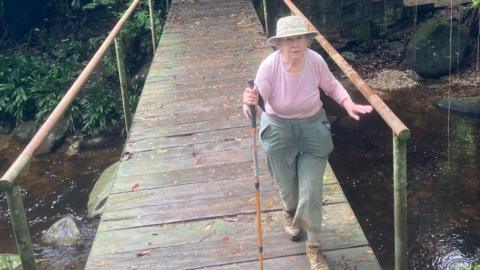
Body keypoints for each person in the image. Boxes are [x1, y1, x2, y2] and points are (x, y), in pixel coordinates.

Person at [242, 16, 373, 270]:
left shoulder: (315, 61)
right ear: (279, 44)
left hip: (313, 128)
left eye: (299, 38)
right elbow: (257, 100)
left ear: (307, 40)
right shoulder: (269, 67)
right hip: (279, 130)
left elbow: (332, 85)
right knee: (289, 190)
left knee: (311, 191)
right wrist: (249, 102)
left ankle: (314, 247)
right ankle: (290, 212)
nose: (295, 44)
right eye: (289, 39)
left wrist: (348, 103)